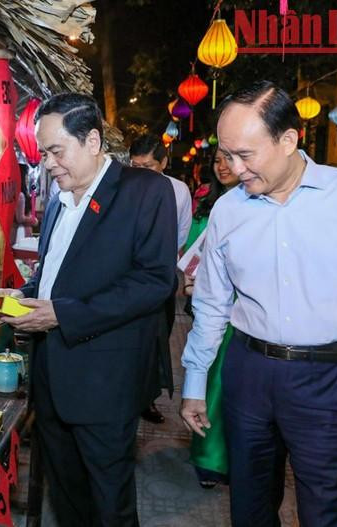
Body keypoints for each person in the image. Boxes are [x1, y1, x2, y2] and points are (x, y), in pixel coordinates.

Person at [180, 81, 337, 527]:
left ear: (287, 140)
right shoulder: (228, 210)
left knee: (325, 511)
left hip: (328, 379)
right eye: (227, 155)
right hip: (248, 372)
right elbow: (211, 306)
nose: (234, 168)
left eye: (245, 155)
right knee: (250, 506)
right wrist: (195, 383)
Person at [0, 93, 177, 526]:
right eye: (44, 154)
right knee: (67, 499)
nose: (48, 164)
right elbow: (55, 274)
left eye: (56, 151)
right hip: (50, 380)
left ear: (92, 141)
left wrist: (62, 314)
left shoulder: (144, 191)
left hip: (104, 383)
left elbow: (154, 282)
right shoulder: (58, 202)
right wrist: (25, 295)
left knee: (109, 505)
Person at [183, 148, 239, 489]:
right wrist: (192, 281)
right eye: (217, 160)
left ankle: (238, 459)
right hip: (214, 308)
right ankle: (209, 458)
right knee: (212, 385)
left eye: (229, 159)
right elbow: (192, 254)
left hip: (246, 313)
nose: (222, 167)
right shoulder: (208, 204)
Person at [129, 134, 193, 424]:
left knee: (156, 339)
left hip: (160, 276)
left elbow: (180, 235)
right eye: (135, 165)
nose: (141, 172)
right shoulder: (122, 186)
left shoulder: (178, 190)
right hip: (126, 276)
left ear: (164, 163)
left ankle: (148, 398)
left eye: (148, 166)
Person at [12, 164, 39, 245]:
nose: (28, 179)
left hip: (19, 230)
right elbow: (20, 218)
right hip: (21, 231)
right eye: (26, 176)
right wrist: (33, 220)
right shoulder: (20, 195)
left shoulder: (14, 193)